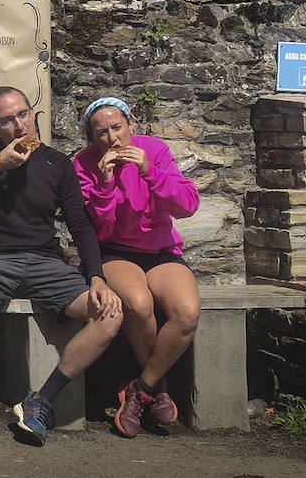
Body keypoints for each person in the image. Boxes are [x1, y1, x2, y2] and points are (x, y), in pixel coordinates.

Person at [0, 86, 123, 453]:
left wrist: (97, 277)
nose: (19, 124)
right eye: (7, 120)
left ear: (33, 112)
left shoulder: (56, 162)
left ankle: (40, 401)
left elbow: (80, 224)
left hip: (43, 261)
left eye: (23, 113)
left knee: (111, 313)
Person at [74, 96, 201, 439]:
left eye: (117, 128)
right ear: (92, 138)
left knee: (187, 312)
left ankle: (139, 388)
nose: (112, 139)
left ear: (131, 126)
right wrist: (103, 185)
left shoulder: (154, 151)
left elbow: (188, 205)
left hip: (160, 250)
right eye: (101, 133)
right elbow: (98, 230)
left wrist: (150, 171)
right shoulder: (85, 164)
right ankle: (158, 390)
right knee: (139, 303)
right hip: (115, 252)